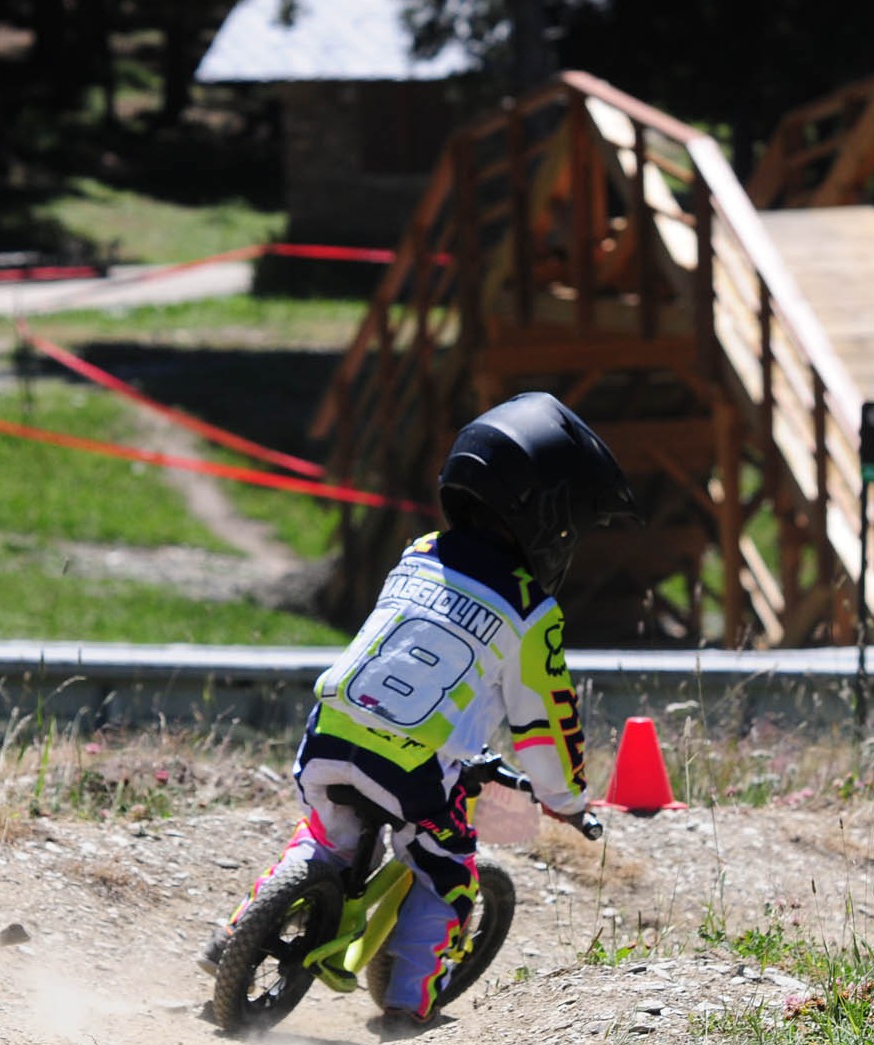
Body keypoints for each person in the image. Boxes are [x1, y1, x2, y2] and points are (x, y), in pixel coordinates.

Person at [200, 391, 640, 1036]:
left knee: (329, 835)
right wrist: (564, 799)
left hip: (330, 730)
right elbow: (546, 720)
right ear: (548, 516)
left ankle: (235, 938)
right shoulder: (529, 610)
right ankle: (408, 1005)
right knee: (445, 873)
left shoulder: (420, 554)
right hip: (414, 766)